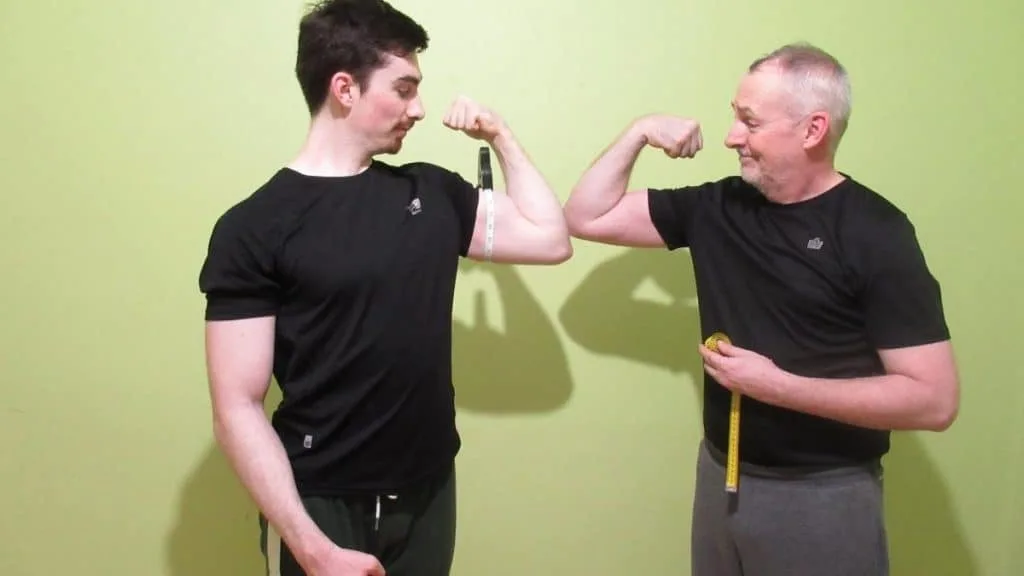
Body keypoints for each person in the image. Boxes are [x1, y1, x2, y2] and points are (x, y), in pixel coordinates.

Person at [196, 1, 572, 574]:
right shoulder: (254, 227)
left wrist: (500, 135)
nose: (417, 109)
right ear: (345, 89)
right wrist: (312, 548)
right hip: (319, 502)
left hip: (427, 492)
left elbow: (551, 239)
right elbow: (236, 407)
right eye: (403, 89)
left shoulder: (433, 195)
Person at [563, 42, 959, 575]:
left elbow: (933, 402)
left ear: (812, 130)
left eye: (749, 122)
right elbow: (586, 216)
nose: (732, 137)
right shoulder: (719, 206)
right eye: (735, 118)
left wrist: (777, 386)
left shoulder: (876, 233)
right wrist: (638, 132)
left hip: (825, 494)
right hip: (720, 475)